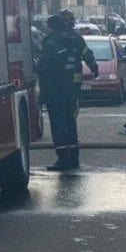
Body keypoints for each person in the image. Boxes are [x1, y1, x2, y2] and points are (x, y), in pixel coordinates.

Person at [37, 14, 82, 171]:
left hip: (54, 90)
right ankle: (73, 157)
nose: (45, 29)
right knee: (70, 122)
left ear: (51, 27)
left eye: (47, 26)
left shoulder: (52, 44)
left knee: (58, 125)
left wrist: (37, 64)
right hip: (69, 89)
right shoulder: (71, 41)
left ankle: (63, 158)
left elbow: (44, 67)